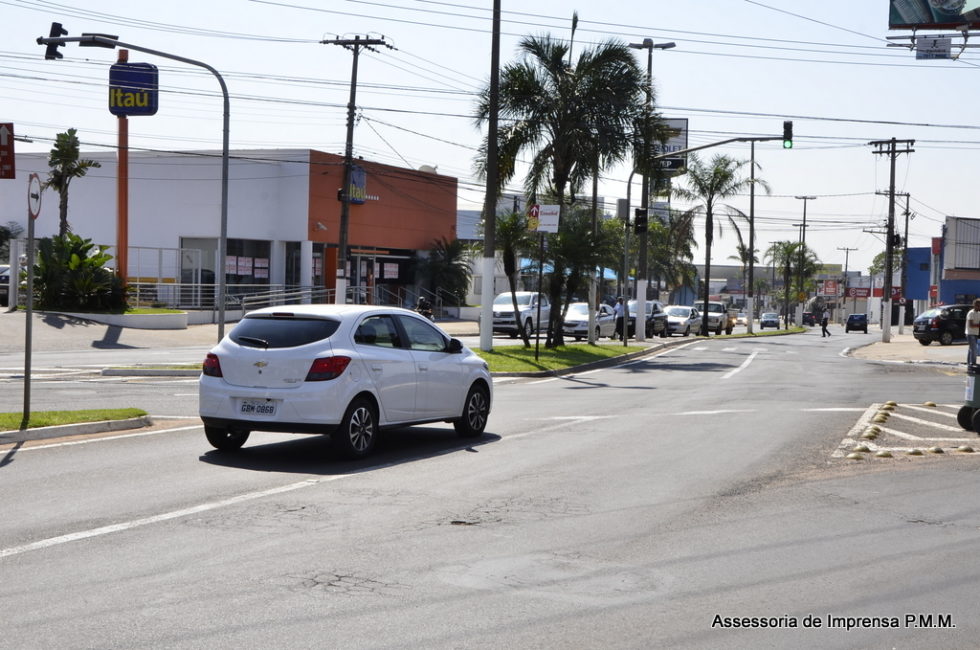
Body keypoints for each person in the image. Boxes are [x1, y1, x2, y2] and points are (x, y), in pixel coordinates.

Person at [967, 299, 980, 366]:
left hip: (975, 333)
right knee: (974, 349)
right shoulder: (971, 313)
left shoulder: (979, 313)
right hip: (970, 333)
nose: (979, 307)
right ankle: (973, 363)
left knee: (971, 349)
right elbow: (971, 325)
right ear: (974, 305)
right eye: (977, 305)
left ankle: (969, 363)